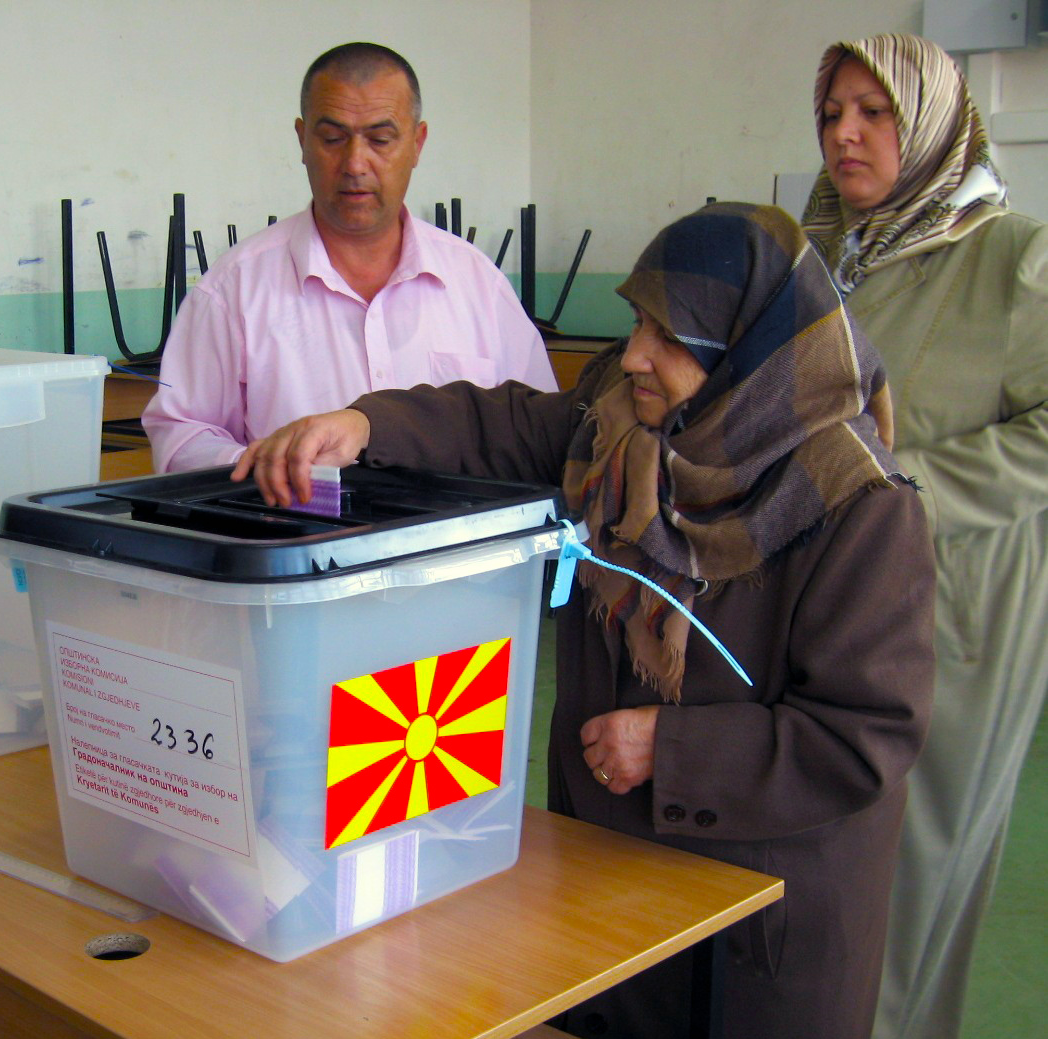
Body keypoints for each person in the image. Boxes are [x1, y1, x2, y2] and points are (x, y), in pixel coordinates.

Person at [233, 202, 936, 1039]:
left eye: (670, 339)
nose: (635, 353)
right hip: (608, 872)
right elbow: (502, 424)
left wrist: (671, 751)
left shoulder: (857, 507)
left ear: (750, 356)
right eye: (638, 322)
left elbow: (865, 736)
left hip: (763, 915)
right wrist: (365, 423)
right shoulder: (619, 424)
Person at [801, 32, 1048, 1039]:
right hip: (823, 601)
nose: (845, 135)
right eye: (829, 114)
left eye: (874, 112)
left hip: (952, 615)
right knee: (825, 874)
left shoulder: (1010, 259)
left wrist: (906, 486)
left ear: (936, 121)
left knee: (910, 880)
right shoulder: (821, 258)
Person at [142, 42, 556, 473]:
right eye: (333, 139)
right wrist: (264, 466)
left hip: (461, 537)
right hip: (299, 531)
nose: (355, 163)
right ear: (303, 141)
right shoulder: (235, 288)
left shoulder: (476, 284)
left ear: (417, 143)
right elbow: (180, 435)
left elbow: (538, 428)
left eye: (380, 139)